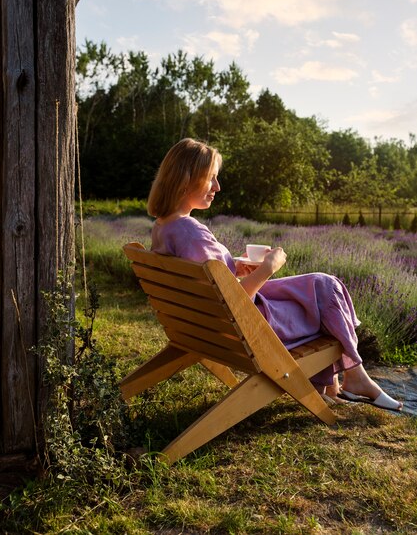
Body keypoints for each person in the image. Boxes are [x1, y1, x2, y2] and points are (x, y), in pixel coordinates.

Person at [147, 138, 403, 412]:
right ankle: (353, 377)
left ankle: (342, 381)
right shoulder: (190, 232)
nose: (217, 187)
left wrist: (233, 265)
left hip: (209, 329)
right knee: (325, 298)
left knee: (321, 285)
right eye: (211, 179)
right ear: (186, 180)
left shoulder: (165, 227)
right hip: (249, 327)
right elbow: (234, 301)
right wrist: (269, 267)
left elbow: (207, 279)